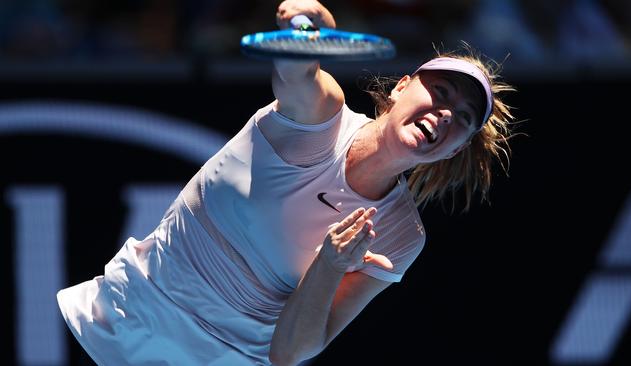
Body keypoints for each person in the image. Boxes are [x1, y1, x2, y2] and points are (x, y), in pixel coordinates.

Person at [56, 0, 516, 365]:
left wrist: (330, 266)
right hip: (118, 320)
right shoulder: (319, 118)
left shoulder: (400, 235)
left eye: (463, 118)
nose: (446, 113)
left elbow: (291, 353)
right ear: (400, 87)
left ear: (455, 148)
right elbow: (297, 68)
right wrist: (305, 20)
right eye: (441, 92)